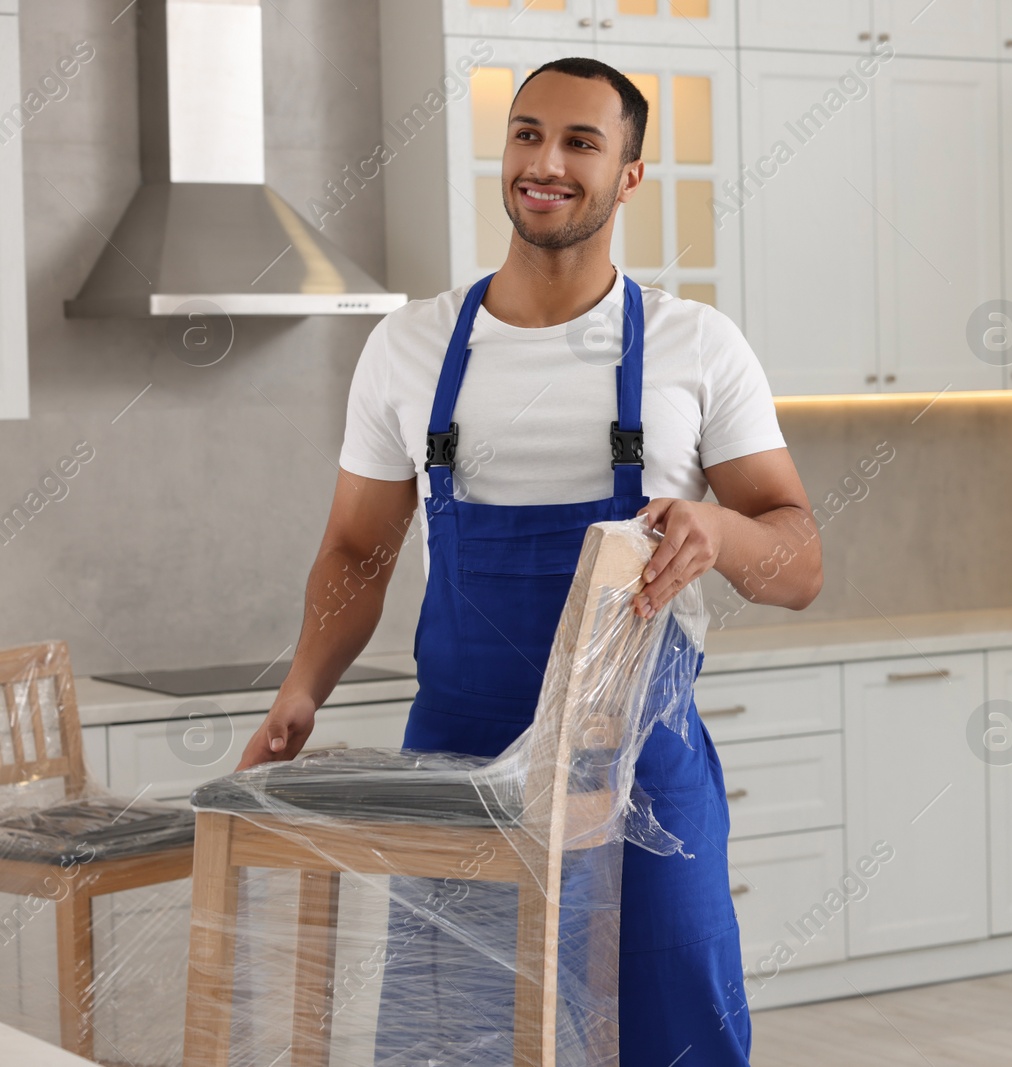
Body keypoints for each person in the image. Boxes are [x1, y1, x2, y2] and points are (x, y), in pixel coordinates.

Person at [235, 56, 822, 1065]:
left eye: (581, 143)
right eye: (527, 133)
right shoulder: (410, 347)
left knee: (675, 1033)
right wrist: (302, 686)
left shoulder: (696, 346)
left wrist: (719, 532)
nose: (545, 162)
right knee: (455, 1041)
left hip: (644, 767)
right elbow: (356, 548)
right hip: (459, 768)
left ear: (629, 176)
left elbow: (799, 560)